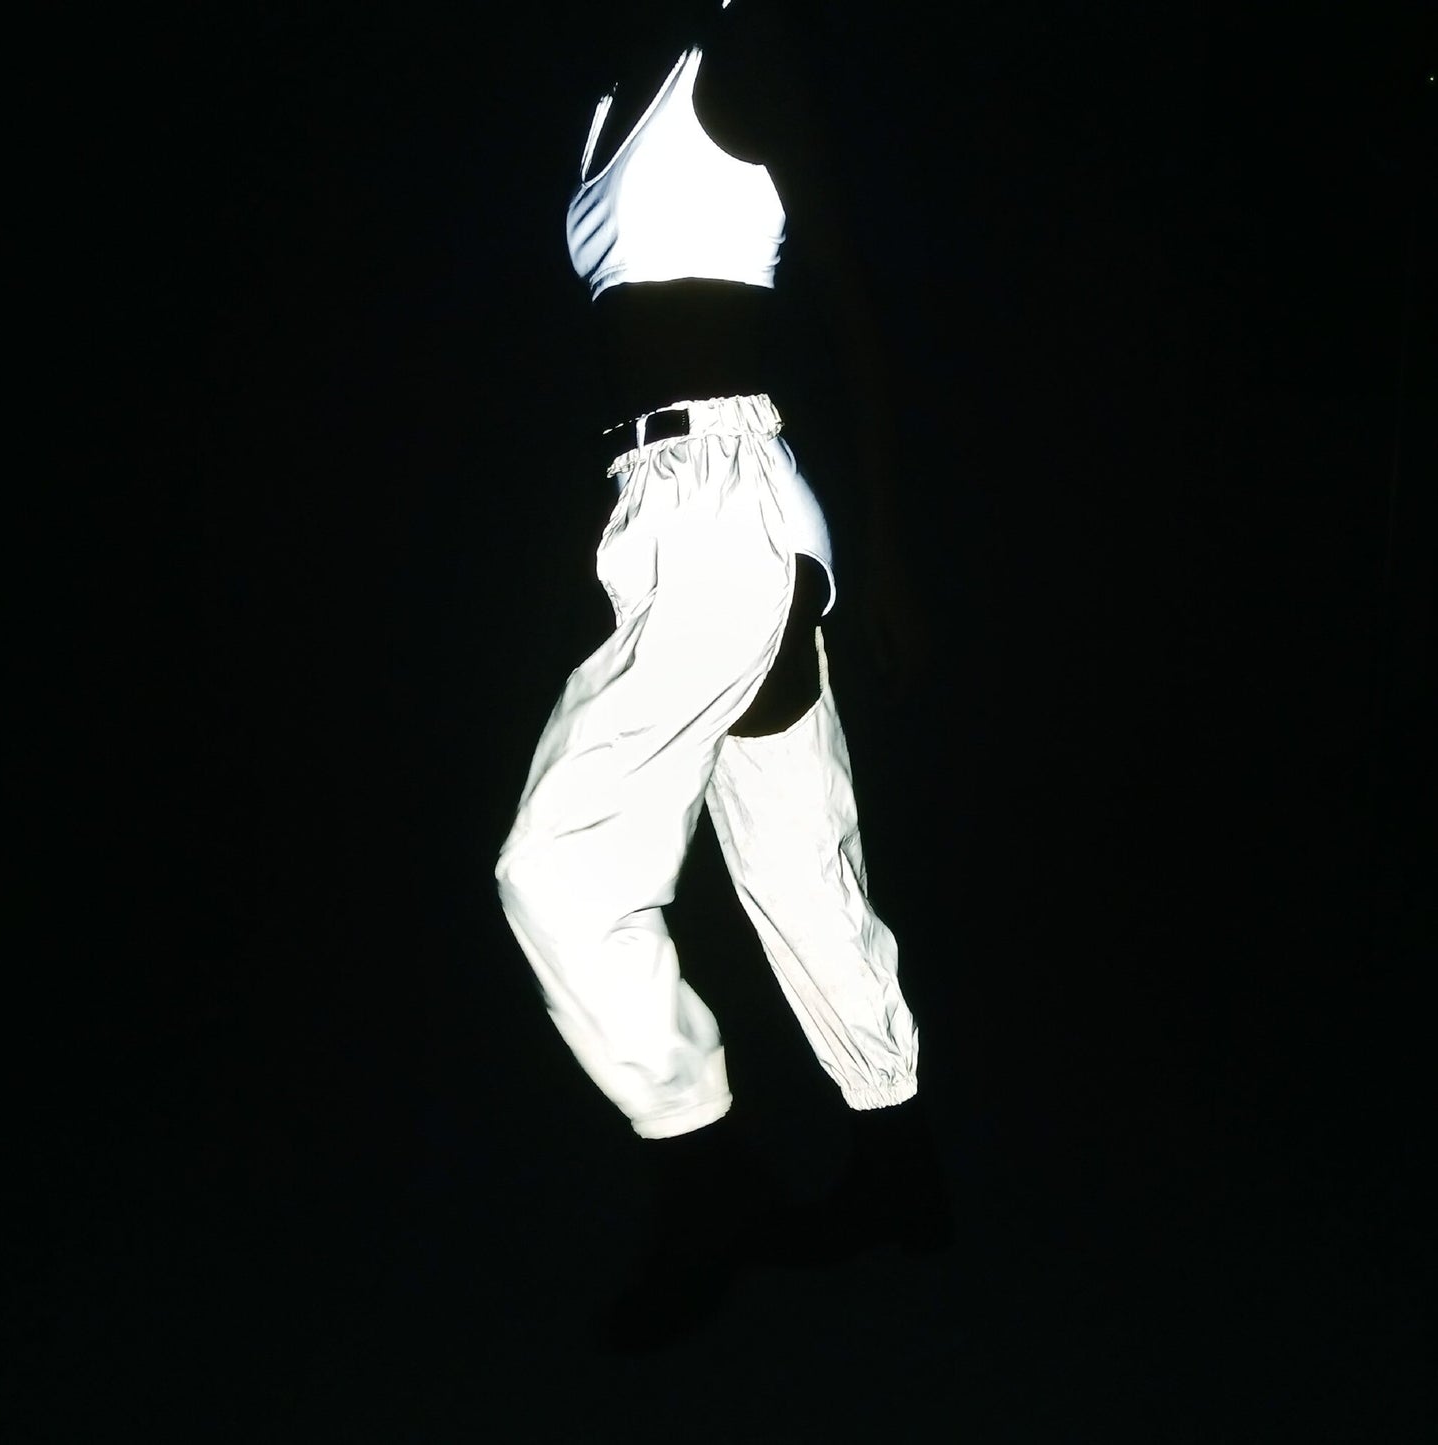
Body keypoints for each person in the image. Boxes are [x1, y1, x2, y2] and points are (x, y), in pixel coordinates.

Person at [495, 0, 948, 1346]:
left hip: (724, 500)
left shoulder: (739, 49)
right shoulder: (608, 88)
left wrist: (889, 552)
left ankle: (706, 1178)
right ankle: (901, 1168)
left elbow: (850, 297)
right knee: (800, 862)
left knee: (556, 868)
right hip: (659, 504)